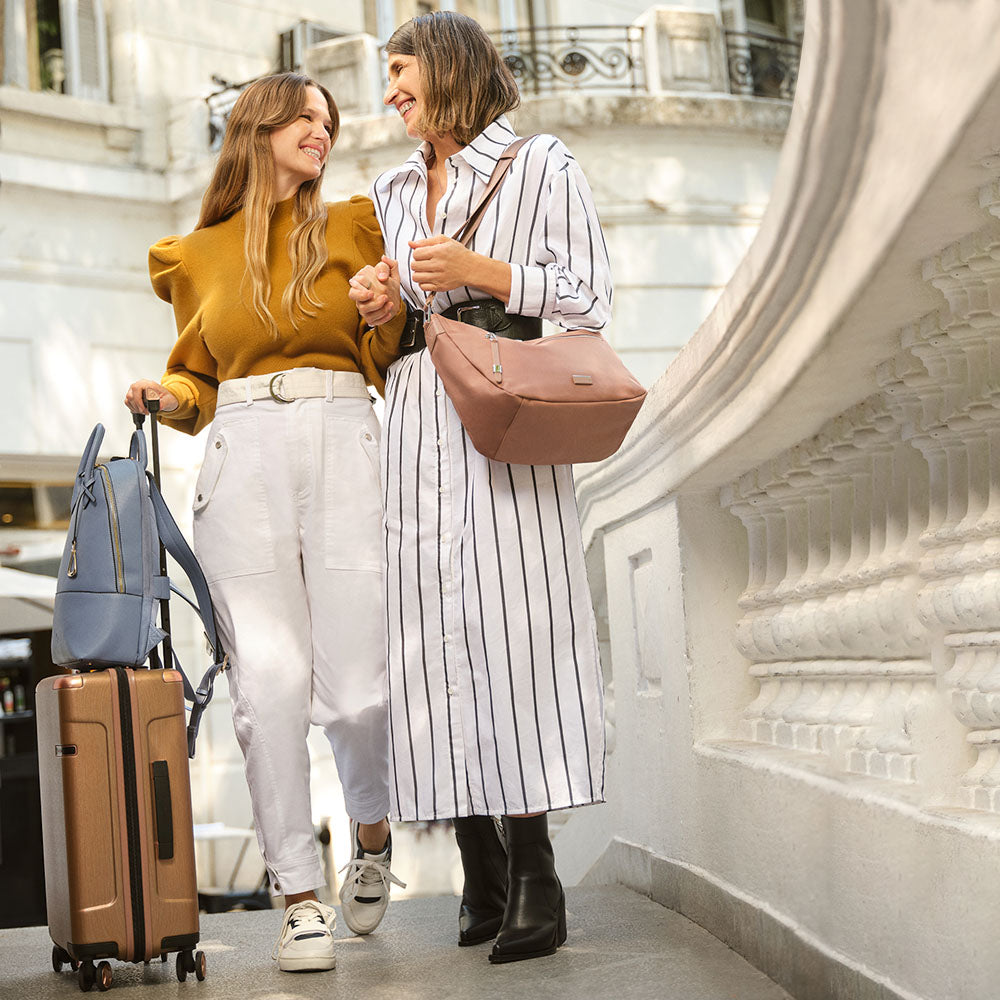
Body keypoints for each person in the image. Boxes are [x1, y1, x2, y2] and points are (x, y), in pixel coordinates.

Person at [124, 72, 406, 974]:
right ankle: (297, 896)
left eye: (328, 121)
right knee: (267, 693)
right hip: (243, 455)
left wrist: (386, 311)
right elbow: (199, 381)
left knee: (361, 685)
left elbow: (385, 355)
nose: (322, 132)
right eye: (305, 119)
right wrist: (164, 395)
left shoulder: (355, 224)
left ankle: (370, 832)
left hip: (342, 436)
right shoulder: (198, 254)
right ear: (259, 126)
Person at [350, 11, 612, 965]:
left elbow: (589, 295)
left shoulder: (541, 163)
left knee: (516, 630)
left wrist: (480, 269)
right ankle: (478, 865)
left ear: (450, 69)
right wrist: (381, 302)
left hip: (507, 405)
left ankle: (537, 869)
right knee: (426, 630)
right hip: (417, 411)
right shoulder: (387, 186)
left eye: (402, 74)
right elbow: (384, 321)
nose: (390, 94)